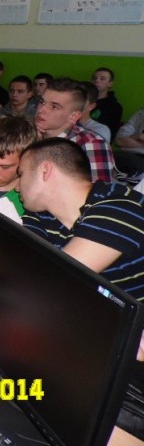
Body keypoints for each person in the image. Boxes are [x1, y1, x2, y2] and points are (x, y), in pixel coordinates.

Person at [18, 138, 144, 291]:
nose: (17, 187)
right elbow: (19, 266)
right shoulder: (40, 215)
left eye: (21, 174)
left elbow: (55, 281)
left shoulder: (120, 208)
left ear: (45, 170)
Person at [34, 77, 114, 182]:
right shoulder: (26, 134)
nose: (41, 110)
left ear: (74, 116)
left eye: (54, 107)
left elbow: (99, 190)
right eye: (42, 102)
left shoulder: (91, 144)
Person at [91, 67, 123, 139]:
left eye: (102, 79)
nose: (96, 81)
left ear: (110, 84)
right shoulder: (83, 101)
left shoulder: (114, 107)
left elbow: (110, 133)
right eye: (94, 78)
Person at [115, 107, 144, 178]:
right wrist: (139, 136)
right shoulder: (141, 114)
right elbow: (119, 141)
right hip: (123, 154)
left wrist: (132, 138)